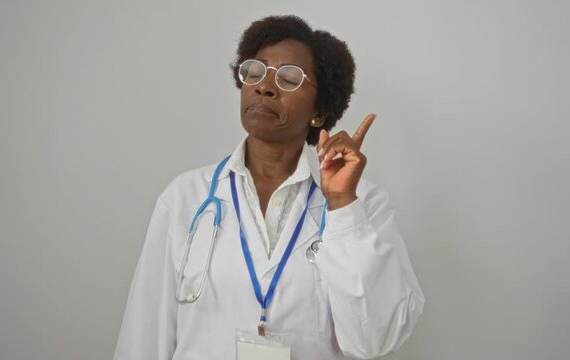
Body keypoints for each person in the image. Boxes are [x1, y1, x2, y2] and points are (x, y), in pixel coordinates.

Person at [114, 15, 424, 360]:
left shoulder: (363, 204)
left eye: (290, 78)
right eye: (255, 72)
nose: (264, 86)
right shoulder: (186, 198)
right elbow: (144, 335)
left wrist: (342, 204)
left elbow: (374, 341)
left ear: (319, 112)